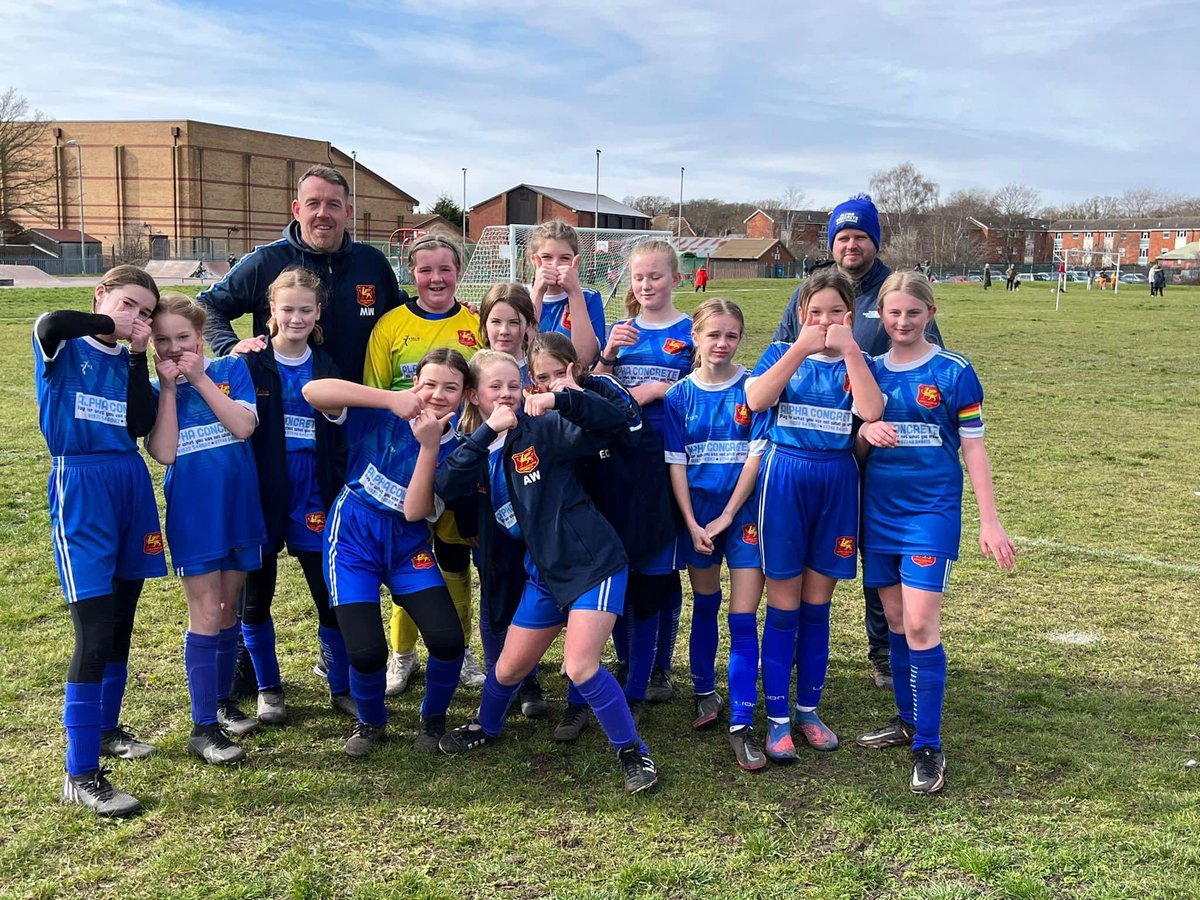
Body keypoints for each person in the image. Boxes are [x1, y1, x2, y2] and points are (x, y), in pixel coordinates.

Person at [434, 351, 660, 794]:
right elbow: (446, 485)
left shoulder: (543, 430)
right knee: (507, 669)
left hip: (592, 564)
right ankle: (487, 726)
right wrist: (485, 433)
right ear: (474, 396)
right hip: (544, 574)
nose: (506, 394)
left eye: (513, 386)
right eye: (494, 387)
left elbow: (614, 424)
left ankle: (633, 751)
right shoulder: (476, 445)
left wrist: (564, 402)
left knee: (579, 666)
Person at [773, 194, 941, 691]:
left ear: (874, 242)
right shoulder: (811, 290)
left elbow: (926, 360)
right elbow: (785, 352)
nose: (851, 245)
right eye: (842, 237)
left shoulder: (893, 289)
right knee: (809, 554)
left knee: (877, 550)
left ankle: (885, 652)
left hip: (879, 446)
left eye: (860, 237)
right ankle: (803, 647)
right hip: (818, 449)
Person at [855, 271, 1015, 794]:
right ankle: (907, 720)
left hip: (930, 515)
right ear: (880, 314)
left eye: (913, 313)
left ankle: (929, 745)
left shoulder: (954, 371)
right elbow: (851, 445)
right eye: (893, 313)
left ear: (931, 314)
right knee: (896, 621)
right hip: (877, 514)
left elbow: (973, 448)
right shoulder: (868, 371)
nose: (902, 322)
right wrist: (864, 432)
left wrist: (989, 520)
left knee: (922, 625)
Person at [33, 265, 166, 817]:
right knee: (92, 627)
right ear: (101, 295)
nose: (136, 317)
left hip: (128, 481)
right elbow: (50, 319)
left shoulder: (130, 360)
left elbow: (138, 422)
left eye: (145, 312)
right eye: (129, 304)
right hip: (80, 483)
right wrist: (107, 320)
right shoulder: (62, 343)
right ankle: (80, 771)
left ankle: (107, 730)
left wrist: (137, 353)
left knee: (121, 620)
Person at [302, 352, 468, 756]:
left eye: (451, 387)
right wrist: (388, 399)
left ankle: (433, 719)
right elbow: (313, 390)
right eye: (430, 383)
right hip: (353, 539)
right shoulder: (382, 412)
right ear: (415, 382)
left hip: (407, 546)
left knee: (448, 641)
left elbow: (414, 511)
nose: (438, 394)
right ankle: (371, 721)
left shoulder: (461, 449)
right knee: (367, 651)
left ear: (467, 395)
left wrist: (429, 446)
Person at [749, 268, 884, 762]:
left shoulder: (860, 360)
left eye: (835, 313)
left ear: (849, 317)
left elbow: (870, 412)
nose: (824, 322)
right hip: (786, 478)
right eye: (815, 313)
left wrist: (850, 351)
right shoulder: (784, 353)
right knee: (783, 603)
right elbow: (756, 398)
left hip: (836, 480)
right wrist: (799, 348)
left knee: (816, 604)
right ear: (802, 316)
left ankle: (808, 709)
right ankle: (778, 719)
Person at [527, 332, 676, 742]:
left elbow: (617, 425)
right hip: (598, 529)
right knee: (597, 613)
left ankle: (634, 694)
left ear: (576, 366)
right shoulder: (539, 411)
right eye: (544, 378)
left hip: (643, 514)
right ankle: (578, 705)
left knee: (644, 607)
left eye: (562, 372)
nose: (554, 382)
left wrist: (565, 395)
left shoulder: (603, 388)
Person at [363, 232, 486, 695]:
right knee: (407, 558)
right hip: (403, 465)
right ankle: (402, 654)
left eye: (445, 269)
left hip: (460, 460)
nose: (436, 278)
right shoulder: (390, 326)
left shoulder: (477, 323)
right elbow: (376, 395)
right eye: (425, 269)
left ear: (459, 272)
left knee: (455, 560)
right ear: (410, 273)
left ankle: (461, 649)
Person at [147, 293, 266, 765]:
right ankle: (202, 727)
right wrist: (173, 390)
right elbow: (166, 452)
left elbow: (242, 427)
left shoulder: (232, 370)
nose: (175, 348)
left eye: (184, 338)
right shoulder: (156, 388)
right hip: (194, 510)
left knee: (227, 608)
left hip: (239, 504)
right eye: (163, 340)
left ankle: (221, 700)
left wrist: (200, 378)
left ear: (199, 336)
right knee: (205, 610)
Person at [235, 266, 351, 725]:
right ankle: (268, 688)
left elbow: (339, 428)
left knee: (328, 594)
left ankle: (340, 686)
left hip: (312, 491)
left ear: (318, 311)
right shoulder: (251, 362)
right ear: (272, 310)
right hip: (263, 488)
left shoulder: (326, 365)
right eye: (288, 309)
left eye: (306, 309)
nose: (296, 318)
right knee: (256, 596)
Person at [661, 299, 769, 768]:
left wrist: (726, 515)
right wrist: (690, 521)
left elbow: (754, 458)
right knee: (705, 602)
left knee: (743, 617)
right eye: (713, 335)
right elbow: (677, 465)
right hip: (698, 519)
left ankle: (743, 720)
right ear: (696, 339)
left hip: (742, 518)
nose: (721, 344)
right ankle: (705, 691)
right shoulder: (678, 397)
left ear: (740, 340)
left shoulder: (754, 390)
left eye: (731, 336)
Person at [594, 240, 693, 716]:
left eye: (656, 276)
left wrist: (661, 390)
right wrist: (609, 355)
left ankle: (659, 667)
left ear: (676, 278)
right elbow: (594, 391)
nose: (647, 285)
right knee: (623, 564)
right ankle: (626, 658)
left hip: (670, 461)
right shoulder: (622, 331)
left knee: (662, 567)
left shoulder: (693, 330)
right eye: (638, 278)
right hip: (621, 462)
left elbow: (708, 388)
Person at [197, 164, 405, 383]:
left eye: (333, 205)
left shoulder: (372, 262)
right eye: (313, 203)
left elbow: (401, 317)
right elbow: (206, 305)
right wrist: (230, 346)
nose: (322, 213)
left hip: (360, 403)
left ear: (348, 212)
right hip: (284, 406)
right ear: (297, 210)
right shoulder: (267, 260)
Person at [476, 282, 548, 715]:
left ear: (527, 326)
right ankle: (496, 673)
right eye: (496, 321)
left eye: (513, 321)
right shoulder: (473, 372)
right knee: (495, 592)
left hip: (533, 502)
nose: (504, 329)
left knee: (530, 589)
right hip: (487, 506)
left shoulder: (538, 372)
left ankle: (530, 679)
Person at [527, 220, 606, 365]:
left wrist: (574, 292)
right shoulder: (520, 297)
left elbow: (584, 358)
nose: (555, 265)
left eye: (564, 258)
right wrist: (538, 292)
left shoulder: (589, 297)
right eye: (546, 257)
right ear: (534, 259)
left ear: (575, 260)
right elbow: (521, 350)